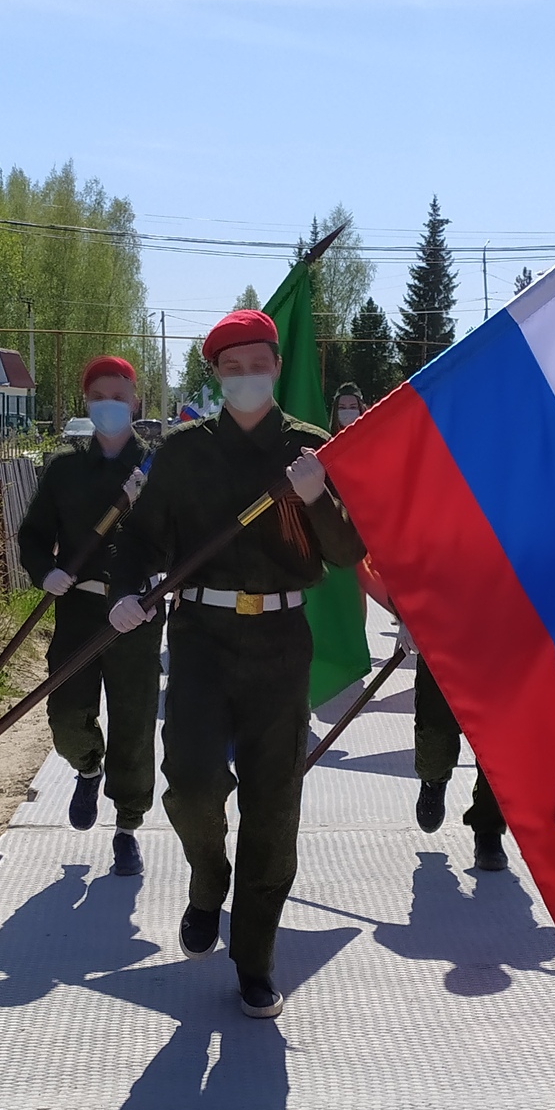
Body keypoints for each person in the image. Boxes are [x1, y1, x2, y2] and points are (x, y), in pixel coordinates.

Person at [107, 310, 364, 1019]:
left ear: (276, 366)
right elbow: (141, 538)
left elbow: (347, 550)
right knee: (191, 785)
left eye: (258, 364)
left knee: (272, 804)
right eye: (232, 367)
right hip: (200, 637)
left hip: (281, 642)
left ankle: (255, 958)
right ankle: (207, 879)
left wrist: (316, 497)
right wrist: (127, 592)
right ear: (216, 374)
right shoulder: (184, 451)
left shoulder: (310, 449)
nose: (246, 377)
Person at [16, 356, 158, 877]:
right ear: (86, 402)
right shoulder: (64, 469)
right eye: (99, 397)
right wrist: (44, 572)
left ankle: (127, 827)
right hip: (78, 607)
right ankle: (87, 766)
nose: (109, 406)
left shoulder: (156, 469)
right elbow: (33, 534)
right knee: (66, 712)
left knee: (133, 722)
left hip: (136, 614)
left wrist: (153, 584)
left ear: (135, 402)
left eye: (119, 397)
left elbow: (176, 537)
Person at [412, 650, 508, 872]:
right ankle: (433, 780)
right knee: (435, 725)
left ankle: (489, 828)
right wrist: (408, 627)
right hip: (442, 636)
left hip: (504, 639)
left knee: (497, 736)